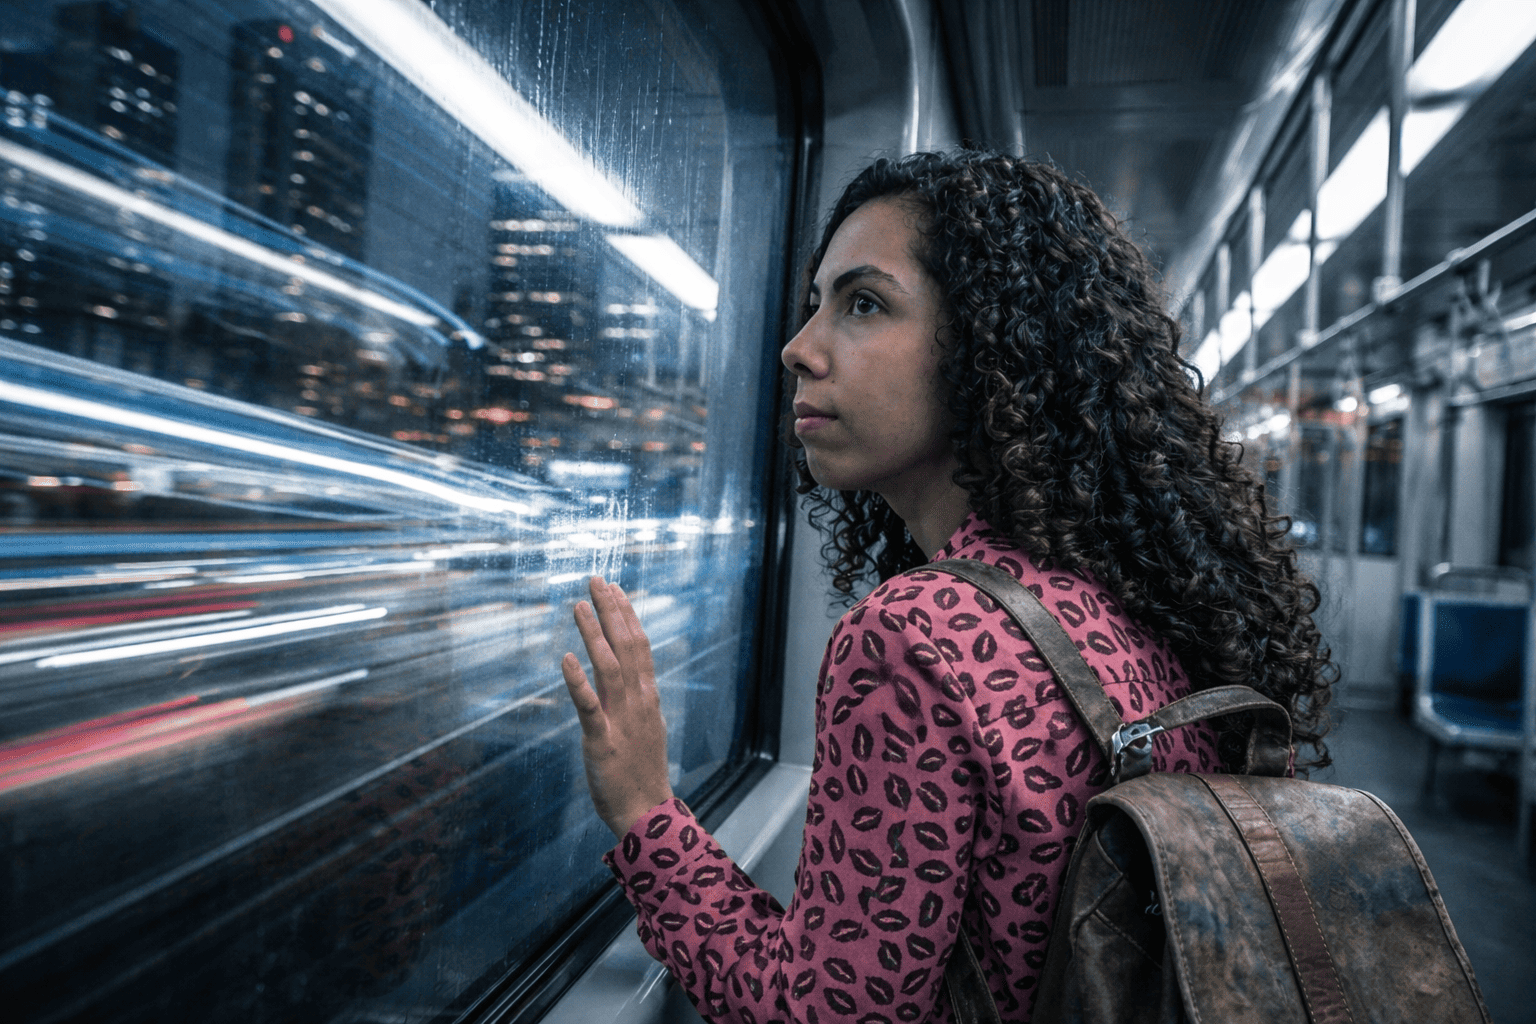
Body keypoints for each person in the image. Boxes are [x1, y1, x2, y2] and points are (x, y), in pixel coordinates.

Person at [559, 150, 1336, 1024]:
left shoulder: (918, 636)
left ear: (992, 345)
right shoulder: (1128, 596)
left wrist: (644, 811)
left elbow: (820, 1017)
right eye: (815, 305)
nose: (798, 349)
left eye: (863, 304)